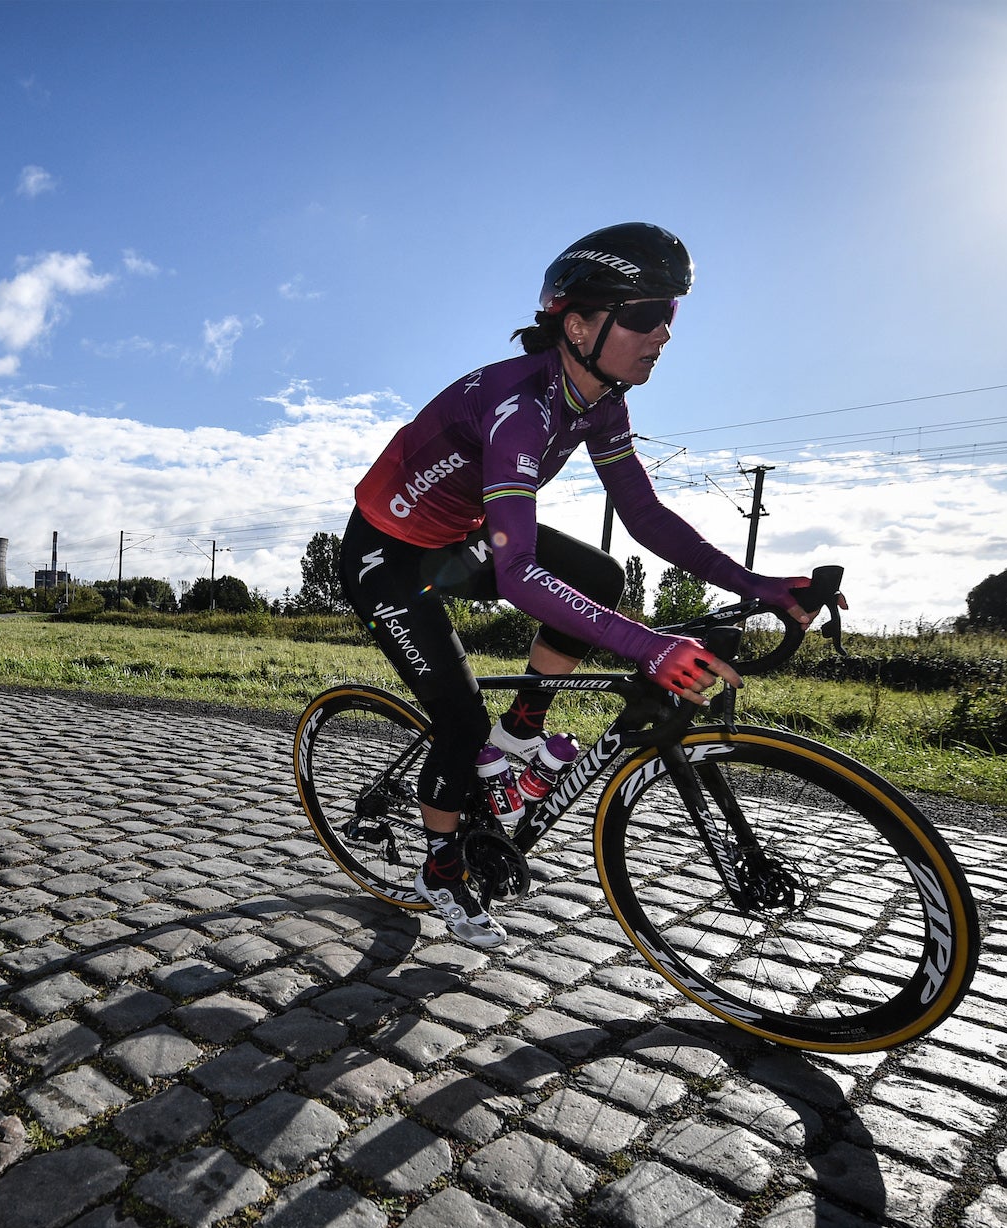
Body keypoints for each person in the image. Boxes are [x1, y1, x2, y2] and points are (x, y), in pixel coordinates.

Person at [340, 222, 837, 947]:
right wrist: (649, 645)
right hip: (387, 555)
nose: (662, 333)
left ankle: (519, 737)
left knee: (600, 573)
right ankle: (440, 867)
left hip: (454, 540)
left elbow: (642, 514)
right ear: (576, 324)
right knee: (457, 716)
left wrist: (756, 584)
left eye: (669, 314)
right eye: (642, 316)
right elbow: (517, 573)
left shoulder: (601, 401)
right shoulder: (521, 408)